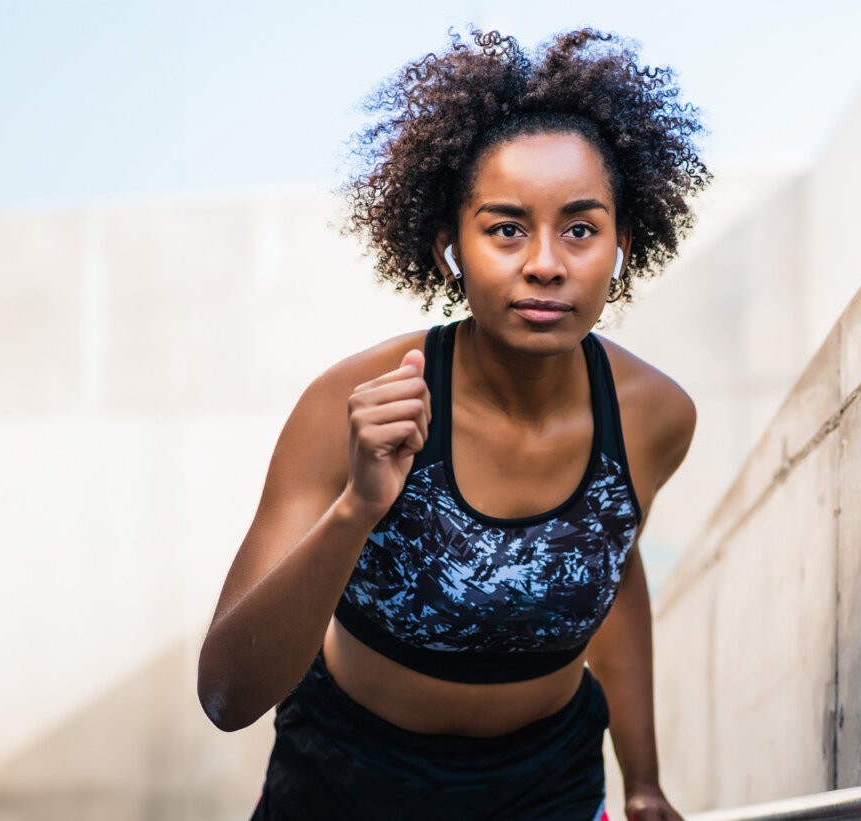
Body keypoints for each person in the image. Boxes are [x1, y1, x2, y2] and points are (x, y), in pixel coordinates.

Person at [198, 28, 709, 821]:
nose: (546, 263)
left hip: (548, 787)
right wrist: (358, 507)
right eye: (506, 228)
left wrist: (643, 780)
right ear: (450, 251)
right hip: (346, 781)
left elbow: (612, 565)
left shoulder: (654, 415)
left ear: (620, 248)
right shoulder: (353, 403)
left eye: (581, 229)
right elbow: (227, 693)